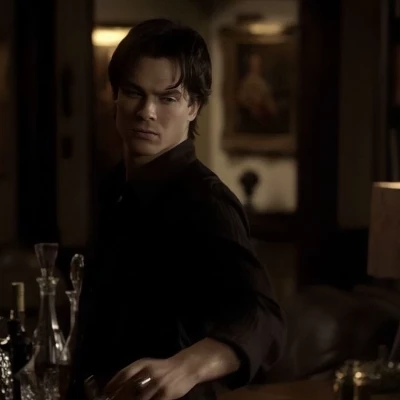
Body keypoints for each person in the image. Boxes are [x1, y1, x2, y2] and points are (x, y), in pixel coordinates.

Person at [68, 18, 285, 400]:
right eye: (133, 93)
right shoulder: (115, 187)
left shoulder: (206, 202)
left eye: (167, 98)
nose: (146, 111)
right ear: (116, 97)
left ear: (193, 106)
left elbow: (262, 316)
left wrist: (186, 366)